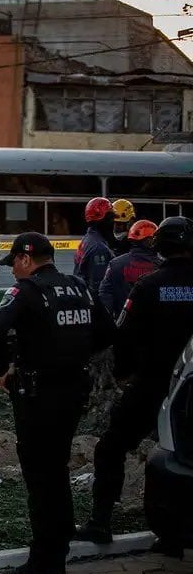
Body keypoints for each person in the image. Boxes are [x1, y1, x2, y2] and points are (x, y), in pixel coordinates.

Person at [0, 233, 114, 574]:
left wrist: (4, 369)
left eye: (13, 262)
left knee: (41, 476)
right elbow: (107, 331)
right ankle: (57, 547)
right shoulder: (78, 287)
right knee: (56, 469)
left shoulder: (27, 290)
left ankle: (45, 561)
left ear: (27, 259)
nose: (13, 270)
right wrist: (73, 352)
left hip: (38, 393)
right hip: (73, 389)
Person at [76, 216, 193, 545]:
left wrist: (125, 372)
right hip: (189, 389)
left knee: (111, 447)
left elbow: (123, 337)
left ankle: (100, 521)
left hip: (152, 384)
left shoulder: (148, 286)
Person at [98, 219, 161, 317]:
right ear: (150, 241)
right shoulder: (162, 267)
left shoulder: (115, 264)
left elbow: (105, 295)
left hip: (123, 325)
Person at [74, 197, 116, 296]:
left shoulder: (87, 239)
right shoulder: (98, 247)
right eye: (111, 219)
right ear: (102, 221)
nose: (114, 223)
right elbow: (99, 288)